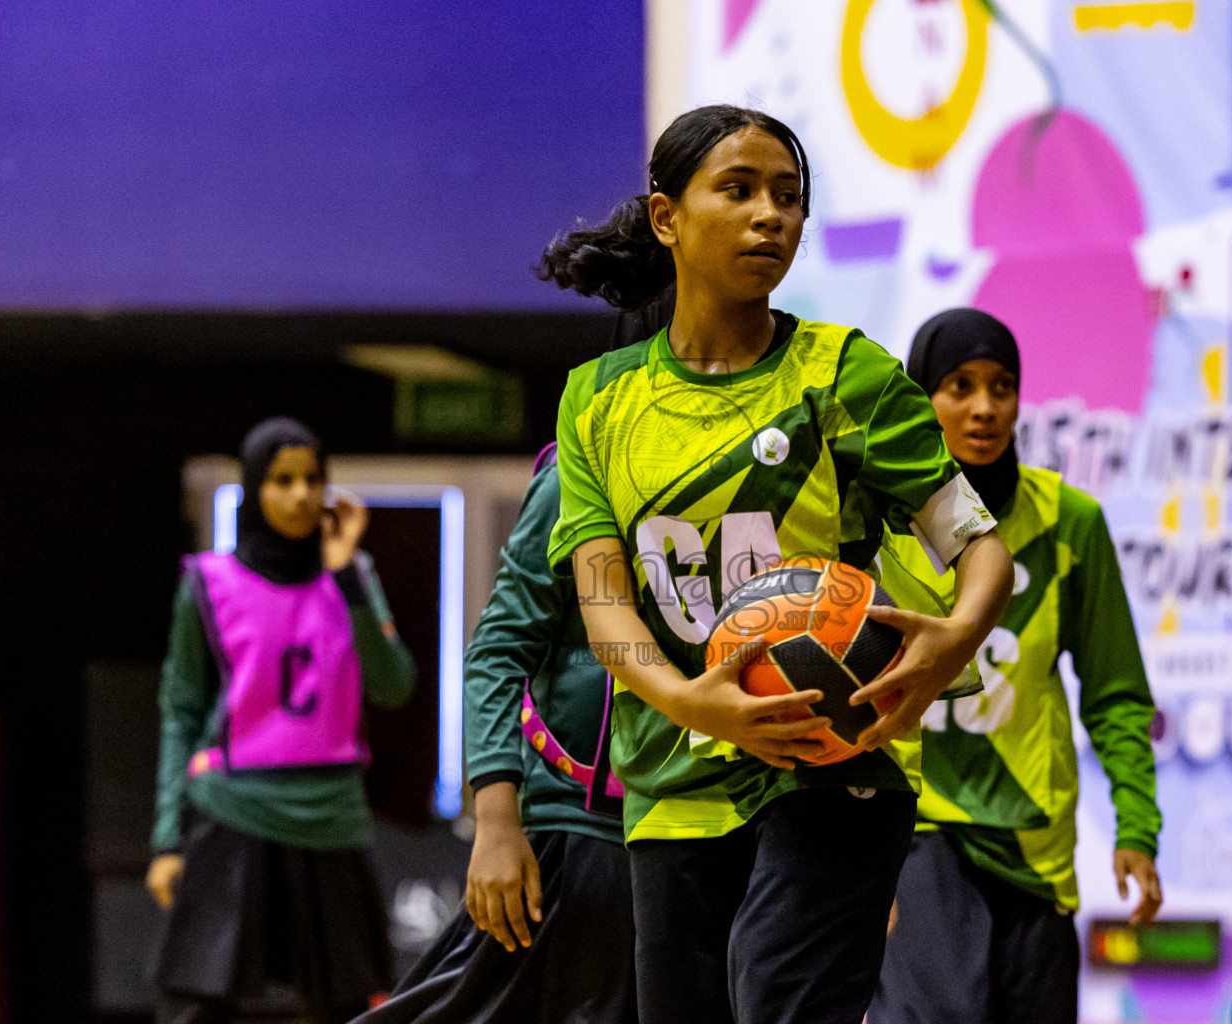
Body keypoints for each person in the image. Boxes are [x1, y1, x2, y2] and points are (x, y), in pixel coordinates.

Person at [539, 104, 1016, 1024]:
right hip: (673, 785)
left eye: (789, 198)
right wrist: (688, 701)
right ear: (667, 216)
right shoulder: (596, 401)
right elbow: (605, 604)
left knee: (779, 1004)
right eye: (741, 190)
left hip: (833, 765)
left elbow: (978, 543)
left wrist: (955, 641)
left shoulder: (850, 375)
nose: (772, 216)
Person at [351, 289, 675, 1024]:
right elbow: (499, 647)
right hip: (579, 832)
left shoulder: (757, 479)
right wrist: (498, 823)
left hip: (698, 831)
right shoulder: (579, 473)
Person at [867, 308, 1162, 1024]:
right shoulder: (868, 523)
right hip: (917, 833)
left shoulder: (1070, 520)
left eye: (1002, 386)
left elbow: (1116, 693)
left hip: (1034, 847)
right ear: (918, 395)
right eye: (959, 385)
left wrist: (1136, 828)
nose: (984, 407)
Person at [147, 417, 416, 1024]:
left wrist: (345, 574)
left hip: (332, 818)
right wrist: (167, 839)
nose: (301, 494)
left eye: (313, 479)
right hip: (231, 808)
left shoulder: (353, 578)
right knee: (194, 1001)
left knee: (344, 1006)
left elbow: (395, 685)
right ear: (252, 488)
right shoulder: (207, 583)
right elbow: (181, 711)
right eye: (282, 479)